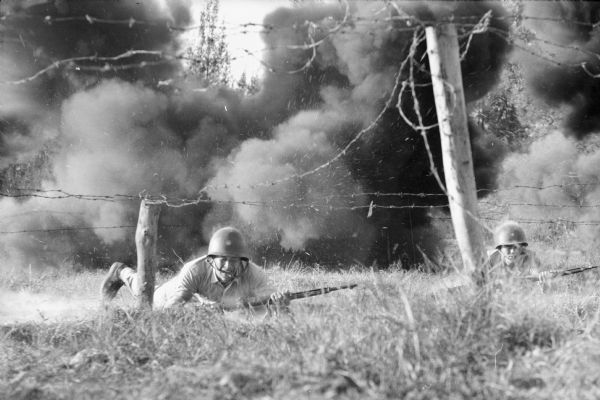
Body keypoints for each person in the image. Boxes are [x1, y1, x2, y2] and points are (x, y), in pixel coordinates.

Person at [100, 226, 290, 311]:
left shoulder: (254, 273)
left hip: (210, 304)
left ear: (243, 260)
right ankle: (121, 271)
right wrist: (202, 309)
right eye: (223, 260)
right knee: (142, 292)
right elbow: (172, 308)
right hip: (167, 297)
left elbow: (269, 297)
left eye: (234, 260)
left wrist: (279, 301)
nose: (229, 265)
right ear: (211, 260)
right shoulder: (195, 270)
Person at [474, 221, 552, 286]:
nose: (512, 251)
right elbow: (477, 284)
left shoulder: (530, 258)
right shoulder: (490, 260)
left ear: (522, 247)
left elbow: (537, 276)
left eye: (516, 247)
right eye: (508, 247)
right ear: (500, 249)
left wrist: (543, 281)